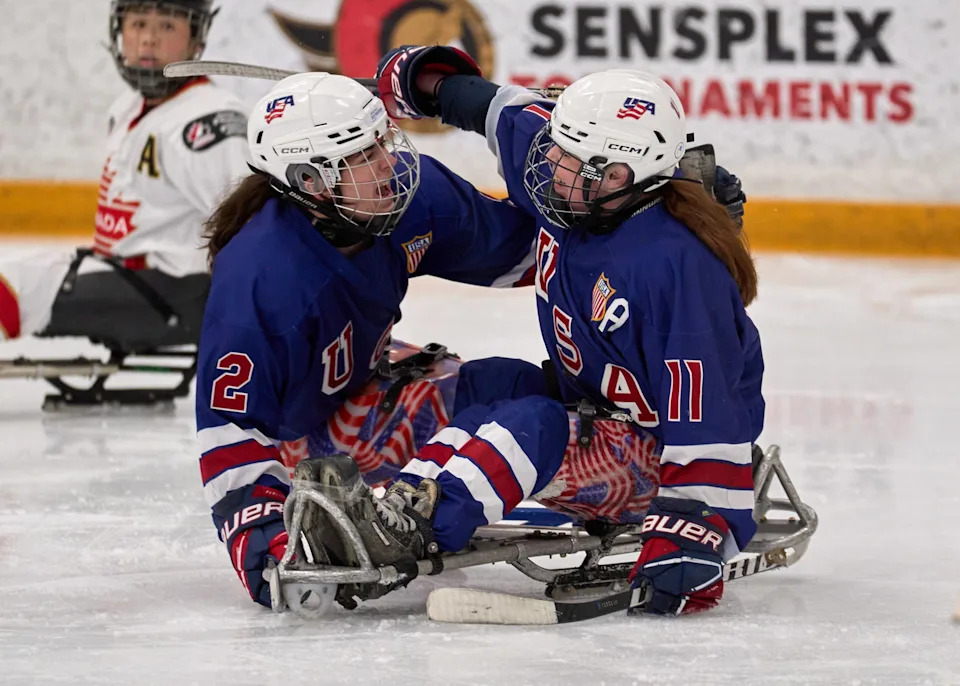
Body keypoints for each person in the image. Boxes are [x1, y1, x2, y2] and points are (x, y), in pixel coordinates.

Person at [293, 48, 764, 618]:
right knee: (493, 386)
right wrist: (432, 84)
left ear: (624, 176)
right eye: (556, 148)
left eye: (570, 160)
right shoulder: (577, 173)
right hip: (589, 400)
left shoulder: (678, 269)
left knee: (534, 425)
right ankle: (403, 505)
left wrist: (695, 528)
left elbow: (710, 420)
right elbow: (502, 111)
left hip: (652, 455)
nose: (549, 166)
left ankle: (416, 527)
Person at [194, 71, 544, 609]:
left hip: (359, 378)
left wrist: (646, 208)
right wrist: (268, 550)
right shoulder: (261, 282)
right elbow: (232, 432)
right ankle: (423, 511)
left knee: (524, 385)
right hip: (304, 445)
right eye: (363, 155)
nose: (388, 161)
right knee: (522, 405)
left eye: (381, 138)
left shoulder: (401, 193)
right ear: (311, 181)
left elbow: (531, 251)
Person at [0, 0, 247, 354]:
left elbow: (247, 227)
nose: (148, 39)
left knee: (17, 286)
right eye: (138, 24)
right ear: (119, 31)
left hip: (172, 294)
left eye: (166, 26)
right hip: (126, 276)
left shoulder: (208, 123)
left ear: (196, 40)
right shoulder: (129, 107)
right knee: (16, 275)